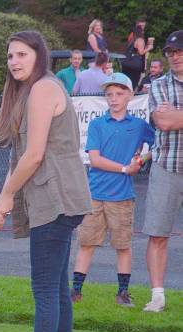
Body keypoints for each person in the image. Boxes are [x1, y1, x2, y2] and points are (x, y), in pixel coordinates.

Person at [0, 31, 92, 332]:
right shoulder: (33, 91)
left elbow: (34, 155)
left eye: (22, 54)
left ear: (38, 55)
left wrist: (5, 197)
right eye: (10, 55)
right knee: (58, 284)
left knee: (45, 287)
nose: (14, 61)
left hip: (55, 197)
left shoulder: (44, 89)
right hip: (63, 195)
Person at [70, 73, 155, 307]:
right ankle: (75, 292)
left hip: (122, 197)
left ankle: (123, 293)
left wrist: (141, 159)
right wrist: (124, 168)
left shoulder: (139, 126)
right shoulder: (97, 124)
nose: (114, 99)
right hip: (95, 195)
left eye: (119, 94)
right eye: (109, 94)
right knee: (86, 243)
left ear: (129, 96)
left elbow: (158, 145)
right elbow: (95, 160)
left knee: (123, 246)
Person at [142, 30, 183, 313]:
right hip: (166, 165)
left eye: (179, 50)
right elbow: (164, 122)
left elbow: (172, 118)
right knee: (157, 234)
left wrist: (176, 115)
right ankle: (157, 296)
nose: (175, 56)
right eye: (170, 52)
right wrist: (171, 117)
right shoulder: (158, 85)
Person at [121, 22, 154, 89]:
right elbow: (141, 52)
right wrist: (149, 48)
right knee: (133, 83)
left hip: (126, 63)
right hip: (134, 65)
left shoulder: (133, 40)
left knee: (126, 82)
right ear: (140, 32)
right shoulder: (140, 40)